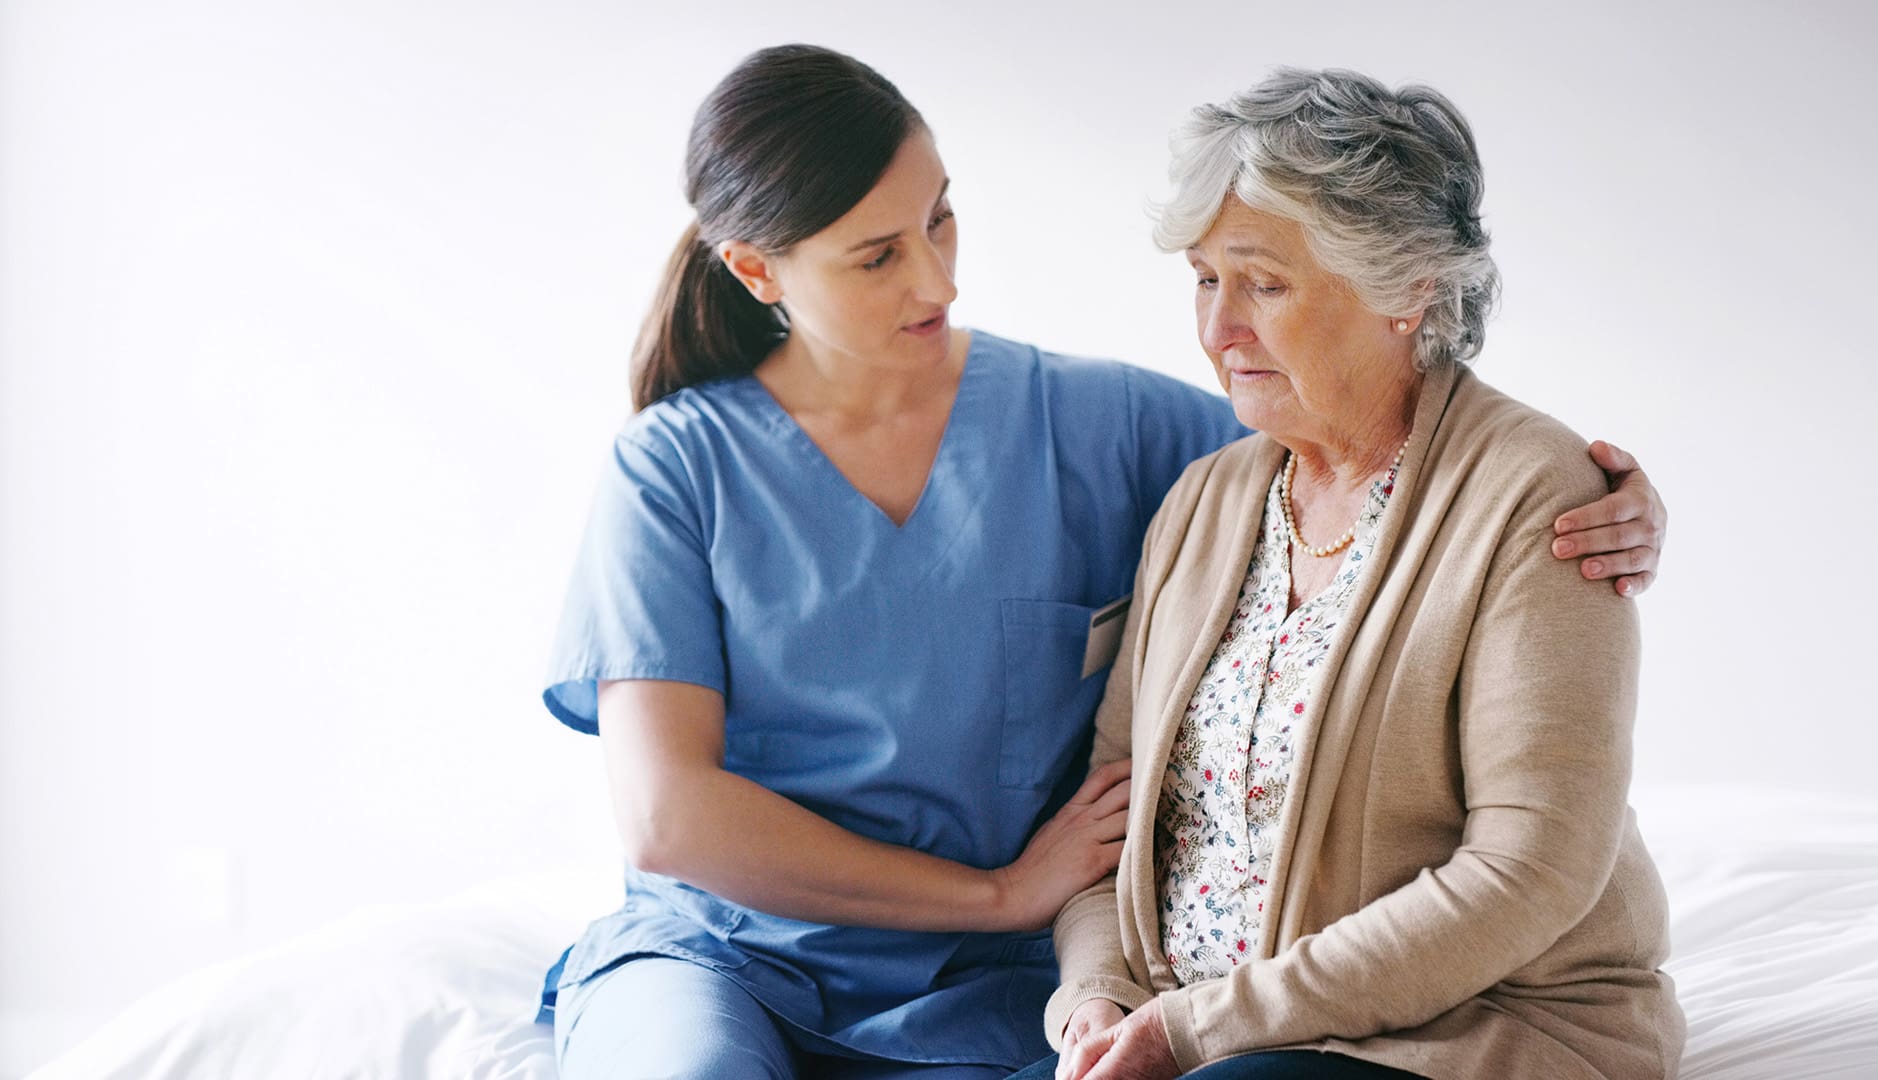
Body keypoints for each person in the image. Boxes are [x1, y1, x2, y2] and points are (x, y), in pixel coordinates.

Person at [540, 46, 1669, 1080]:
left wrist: (1610, 495)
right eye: (879, 255)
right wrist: (1004, 898)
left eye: (942, 222)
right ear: (756, 270)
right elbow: (669, 817)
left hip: (996, 990)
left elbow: (1384, 453)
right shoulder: (674, 471)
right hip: (738, 958)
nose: (936, 283)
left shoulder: (1101, 428)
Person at [1028, 68, 1685, 1080]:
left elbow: (1530, 870)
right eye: (1205, 279)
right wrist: (1094, 1002)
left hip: (1468, 1035)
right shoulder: (1203, 502)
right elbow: (1109, 835)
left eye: (1265, 283)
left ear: (1409, 287)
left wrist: (1194, 1032)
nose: (1217, 329)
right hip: (1198, 1037)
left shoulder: (1537, 495)